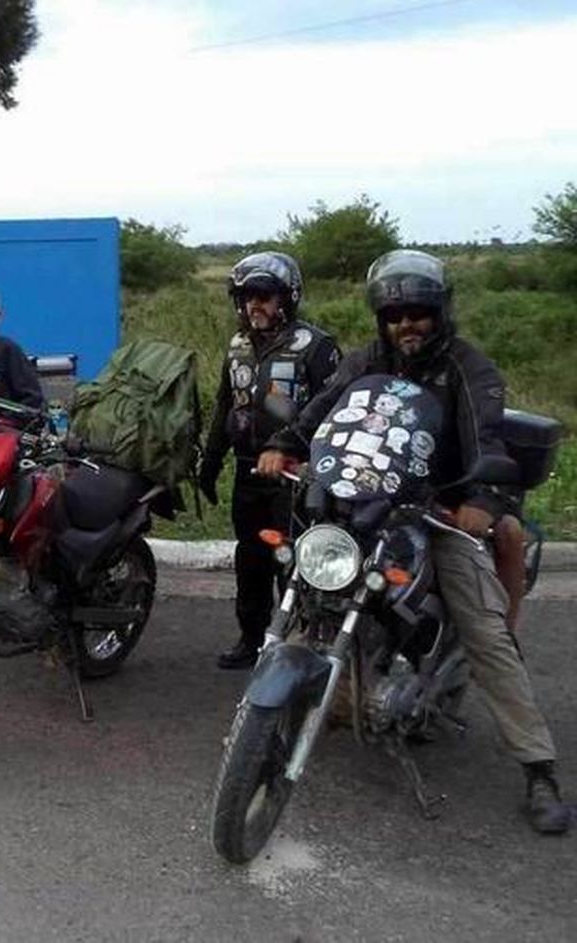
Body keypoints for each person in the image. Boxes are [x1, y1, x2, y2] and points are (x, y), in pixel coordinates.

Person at [256, 249, 570, 836]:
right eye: (396, 314)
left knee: (485, 632)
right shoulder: (366, 359)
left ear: (439, 313)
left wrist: (480, 497)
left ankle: (538, 769)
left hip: (438, 508)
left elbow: (488, 436)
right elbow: (324, 411)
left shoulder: (467, 368)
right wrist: (286, 441)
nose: (407, 325)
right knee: (306, 579)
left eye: (418, 313)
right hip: (365, 505)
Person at [199, 252, 339, 670]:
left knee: (291, 561)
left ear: (287, 298)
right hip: (247, 470)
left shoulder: (316, 346)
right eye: (246, 297)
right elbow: (228, 402)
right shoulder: (238, 345)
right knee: (251, 557)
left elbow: (332, 411)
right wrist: (211, 459)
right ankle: (251, 636)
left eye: (265, 296)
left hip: (294, 476)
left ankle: (293, 643)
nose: (254, 305)